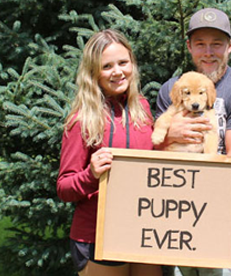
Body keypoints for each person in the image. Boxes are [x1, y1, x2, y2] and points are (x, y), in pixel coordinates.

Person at [155, 8, 231, 276]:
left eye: (216, 44)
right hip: (175, 219)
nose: (208, 52)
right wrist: (171, 134)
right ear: (189, 47)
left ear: (230, 46)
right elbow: (155, 151)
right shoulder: (172, 88)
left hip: (226, 222)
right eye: (200, 44)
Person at [57, 29, 162, 276]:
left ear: (132, 65)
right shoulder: (82, 119)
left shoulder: (143, 109)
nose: (117, 71)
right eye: (107, 66)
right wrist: (91, 174)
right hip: (97, 235)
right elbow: (64, 188)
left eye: (123, 63)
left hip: (144, 231)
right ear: (93, 72)